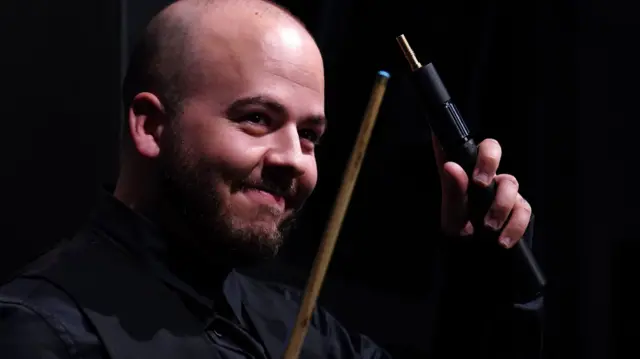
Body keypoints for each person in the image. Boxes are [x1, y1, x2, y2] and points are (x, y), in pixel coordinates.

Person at [0, 0, 543, 358]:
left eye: (310, 135)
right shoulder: (42, 333)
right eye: (257, 118)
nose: (294, 159)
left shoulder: (301, 328)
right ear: (151, 125)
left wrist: (487, 271)